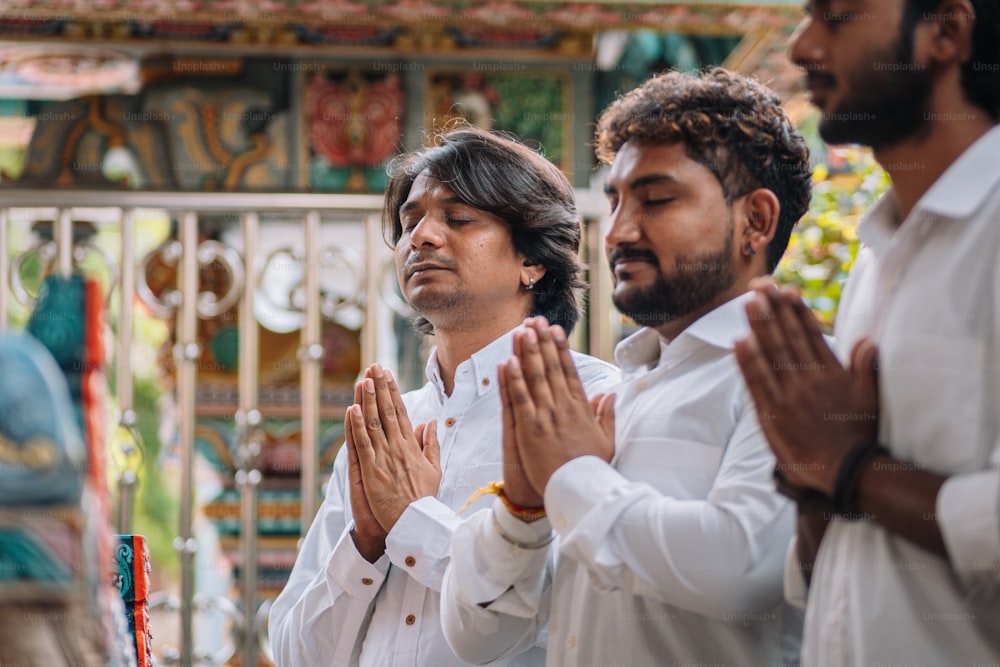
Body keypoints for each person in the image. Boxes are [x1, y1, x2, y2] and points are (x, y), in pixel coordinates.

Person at [440, 67, 812, 666]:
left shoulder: (794, 374)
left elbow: (741, 568)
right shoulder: (627, 392)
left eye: (657, 200)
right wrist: (522, 510)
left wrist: (570, 476)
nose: (617, 232)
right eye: (613, 200)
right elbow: (480, 639)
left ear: (757, 221)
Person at [268, 127, 618, 666]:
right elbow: (297, 653)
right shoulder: (387, 429)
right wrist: (364, 542)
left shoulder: (593, 406)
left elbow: (564, 609)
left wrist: (411, 518)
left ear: (533, 259)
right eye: (410, 222)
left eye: (458, 218)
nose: (422, 237)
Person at [733, 0, 1000, 664]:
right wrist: (811, 479)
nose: (800, 48)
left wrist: (849, 466)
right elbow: (839, 557)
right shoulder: (877, 258)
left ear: (947, 31)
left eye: (838, 17)